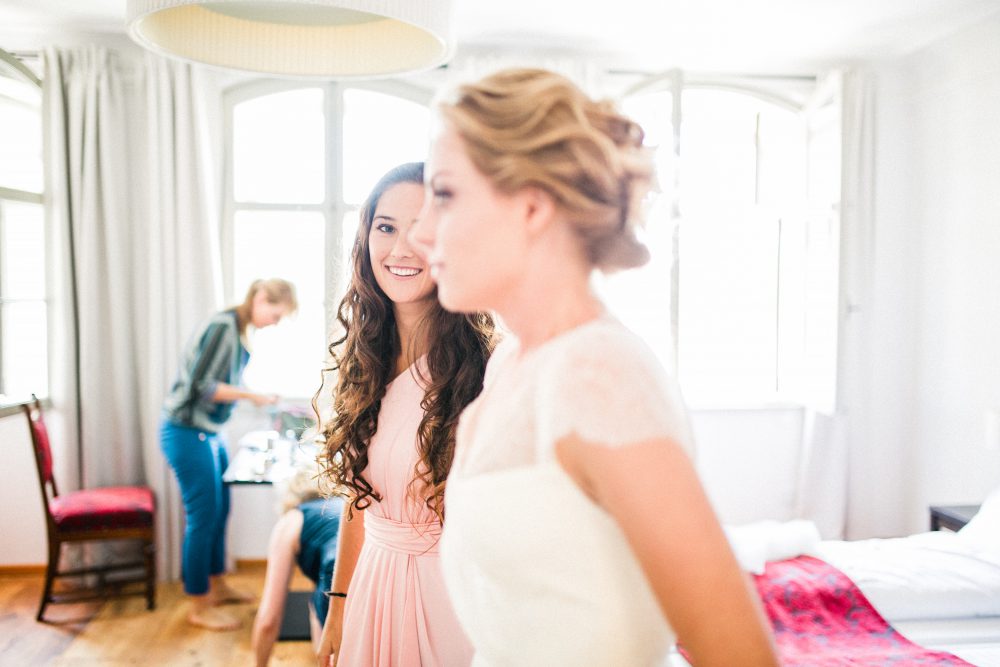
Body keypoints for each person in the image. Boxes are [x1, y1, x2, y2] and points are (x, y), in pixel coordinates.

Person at [409, 68, 780, 666]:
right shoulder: (510, 366)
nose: (421, 232)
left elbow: (741, 654)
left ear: (531, 206)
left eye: (445, 194)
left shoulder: (599, 373)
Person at [314, 162, 494, 667]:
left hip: (454, 601)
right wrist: (338, 607)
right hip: (373, 583)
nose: (400, 248)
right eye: (386, 227)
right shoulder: (363, 360)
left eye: (421, 227)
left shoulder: (487, 369)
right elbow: (359, 499)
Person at [161, 278, 298, 631]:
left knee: (221, 511)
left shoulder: (237, 329)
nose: (275, 322)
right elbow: (202, 387)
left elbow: (221, 383)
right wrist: (252, 398)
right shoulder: (223, 327)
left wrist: (256, 394)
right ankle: (198, 603)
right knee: (203, 517)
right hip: (188, 431)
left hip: (209, 431)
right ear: (261, 298)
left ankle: (217, 586)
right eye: (276, 313)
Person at [251, 467, 344, 666]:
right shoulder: (344, 506)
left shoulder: (293, 519)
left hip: (335, 579)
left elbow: (269, 619)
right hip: (372, 573)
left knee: (320, 601)